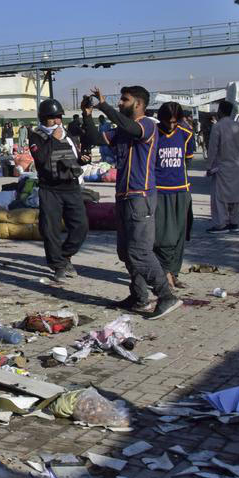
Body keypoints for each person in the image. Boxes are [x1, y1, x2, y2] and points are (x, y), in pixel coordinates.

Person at [82, 85, 180, 319]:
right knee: (126, 252)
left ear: (137, 104)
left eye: (124, 100)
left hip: (140, 196)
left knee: (139, 251)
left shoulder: (147, 125)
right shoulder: (122, 131)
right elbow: (95, 137)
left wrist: (103, 106)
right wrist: (88, 116)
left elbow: (129, 127)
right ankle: (139, 298)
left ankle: (166, 296)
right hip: (123, 196)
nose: (120, 104)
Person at [29, 98, 90, 283]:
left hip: (71, 187)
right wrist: (53, 140)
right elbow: (41, 158)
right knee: (50, 229)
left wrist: (82, 160)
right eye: (52, 118)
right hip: (50, 189)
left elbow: (72, 157)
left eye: (58, 117)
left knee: (81, 226)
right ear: (43, 118)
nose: (56, 121)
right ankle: (58, 265)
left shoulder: (68, 134)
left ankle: (65, 255)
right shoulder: (36, 136)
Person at [153, 102, 194, 288]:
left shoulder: (186, 135)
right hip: (159, 191)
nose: (171, 125)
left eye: (175, 122)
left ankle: (174, 273)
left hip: (181, 190)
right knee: (163, 237)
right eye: (168, 121)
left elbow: (188, 161)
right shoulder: (152, 135)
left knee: (179, 235)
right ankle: (164, 272)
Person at [206, 100, 239, 233]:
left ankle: (221, 224)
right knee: (236, 197)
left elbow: (213, 149)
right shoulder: (238, 126)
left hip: (222, 167)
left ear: (220, 111)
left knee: (219, 198)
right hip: (237, 166)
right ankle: (234, 223)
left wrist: (209, 166)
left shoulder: (218, 127)